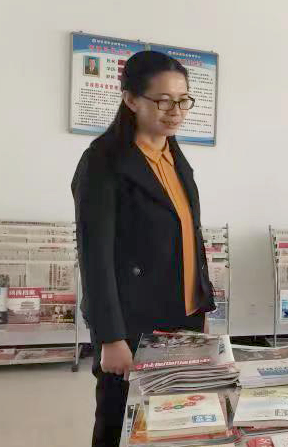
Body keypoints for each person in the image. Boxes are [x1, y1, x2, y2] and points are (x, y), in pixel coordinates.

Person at [72, 51, 215, 446]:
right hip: (131, 323)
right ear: (131, 99)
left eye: (183, 100)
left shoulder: (174, 156)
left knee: (175, 420)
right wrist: (110, 337)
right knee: (119, 421)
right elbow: (94, 257)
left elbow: (191, 236)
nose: (176, 111)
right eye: (163, 100)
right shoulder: (103, 162)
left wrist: (202, 305)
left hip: (182, 316)